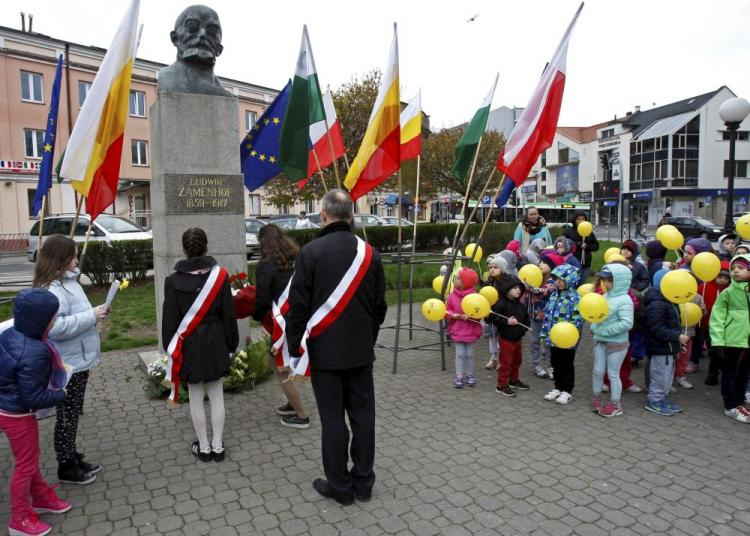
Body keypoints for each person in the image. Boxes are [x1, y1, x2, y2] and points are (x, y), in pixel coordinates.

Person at [285, 189, 387, 506]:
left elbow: (298, 307)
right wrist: (366, 338)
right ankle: (364, 482)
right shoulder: (371, 253)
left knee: (332, 420)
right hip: (360, 352)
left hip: (324, 353)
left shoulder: (310, 252)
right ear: (352, 216)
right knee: (363, 417)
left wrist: (293, 348)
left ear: (324, 215)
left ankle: (340, 487)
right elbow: (380, 307)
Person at [33, 234, 107, 485]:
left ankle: (71, 455)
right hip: (66, 365)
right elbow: (55, 328)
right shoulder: (51, 289)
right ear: (60, 259)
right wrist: (91, 316)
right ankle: (65, 465)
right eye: (73, 255)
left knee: (73, 413)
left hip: (79, 359)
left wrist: (93, 314)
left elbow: (77, 314)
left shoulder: (69, 282)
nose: (77, 259)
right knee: (66, 415)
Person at [162, 228, 239, 462]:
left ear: (184, 249)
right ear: (207, 246)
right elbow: (229, 315)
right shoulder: (220, 276)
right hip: (216, 340)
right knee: (216, 394)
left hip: (189, 345)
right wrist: (231, 344)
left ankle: (204, 447)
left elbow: (169, 320)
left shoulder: (172, 281)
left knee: (195, 395)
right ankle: (218, 445)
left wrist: (171, 349)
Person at [0, 289, 71, 536]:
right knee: (25, 465)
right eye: (52, 318)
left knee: (29, 458)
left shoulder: (12, 333)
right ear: (41, 320)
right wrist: (62, 394)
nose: (54, 322)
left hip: (7, 406)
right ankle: (19, 518)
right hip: (17, 413)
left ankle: (40, 496)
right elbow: (33, 397)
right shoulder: (35, 351)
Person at [252, 224, 310, 429]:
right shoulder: (297, 259)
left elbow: (262, 299)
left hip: (283, 324)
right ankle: (292, 403)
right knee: (278, 362)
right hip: (300, 318)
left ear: (263, 243)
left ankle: (302, 416)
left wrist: (256, 315)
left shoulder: (265, 266)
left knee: (281, 368)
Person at [709, 254, 750, 423]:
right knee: (730, 373)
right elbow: (717, 317)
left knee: (744, 373)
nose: (735, 272)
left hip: (748, 341)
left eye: (740, 268)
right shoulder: (728, 293)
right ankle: (730, 406)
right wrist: (717, 340)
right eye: (733, 269)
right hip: (732, 340)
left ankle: (740, 402)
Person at [157, 5, 232, 96]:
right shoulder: (167, 78)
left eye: (212, 31)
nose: (202, 34)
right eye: (192, 27)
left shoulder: (223, 94)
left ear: (219, 49)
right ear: (175, 38)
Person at [590, 265, 634, 417]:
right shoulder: (605, 296)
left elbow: (626, 323)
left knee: (613, 374)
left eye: (609, 280)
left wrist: (602, 331)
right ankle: (596, 398)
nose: (605, 283)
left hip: (617, 344)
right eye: (604, 280)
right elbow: (597, 315)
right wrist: (594, 326)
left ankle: (616, 405)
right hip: (600, 342)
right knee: (597, 371)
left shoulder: (625, 300)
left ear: (619, 281)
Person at [643, 270, 688, 416]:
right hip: (660, 348)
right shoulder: (657, 304)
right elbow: (656, 327)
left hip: (668, 347)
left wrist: (678, 343)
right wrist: (677, 336)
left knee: (667, 376)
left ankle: (662, 399)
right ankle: (654, 401)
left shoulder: (669, 300)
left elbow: (672, 324)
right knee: (660, 376)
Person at [540, 264, 583, 404]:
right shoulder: (553, 295)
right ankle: (558, 387)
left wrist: (569, 332)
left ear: (570, 280)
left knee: (567, 364)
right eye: (556, 279)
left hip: (567, 339)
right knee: (555, 363)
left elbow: (578, 318)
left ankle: (567, 391)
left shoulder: (575, 298)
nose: (557, 282)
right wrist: (545, 331)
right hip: (554, 338)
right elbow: (549, 313)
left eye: (561, 279)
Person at [491, 278, 530, 397]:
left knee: (517, 361)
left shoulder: (521, 305)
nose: (518, 290)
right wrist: (507, 321)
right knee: (505, 363)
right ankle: (501, 385)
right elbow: (492, 317)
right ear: (507, 290)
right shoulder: (501, 304)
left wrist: (524, 329)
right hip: (506, 339)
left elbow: (526, 319)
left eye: (519, 288)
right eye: (514, 288)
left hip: (518, 339)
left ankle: (513, 380)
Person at [528, 253, 564, 379]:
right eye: (540, 262)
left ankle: (551, 366)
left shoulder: (553, 281)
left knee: (549, 342)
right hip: (535, 317)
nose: (540, 265)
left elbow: (543, 291)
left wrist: (528, 285)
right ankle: (535, 365)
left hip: (548, 318)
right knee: (535, 341)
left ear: (552, 266)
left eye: (544, 263)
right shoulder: (536, 277)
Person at [446, 268, 483, 388]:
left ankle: (470, 375)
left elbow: (480, 312)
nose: (454, 280)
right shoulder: (451, 296)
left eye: (457, 278)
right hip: (457, 329)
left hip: (471, 330)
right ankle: (459, 375)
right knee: (460, 354)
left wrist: (472, 315)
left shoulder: (475, 297)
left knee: (470, 354)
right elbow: (446, 311)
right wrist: (453, 315)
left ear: (464, 282)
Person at [483, 256, 515, 370]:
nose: (492, 269)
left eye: (495, 267)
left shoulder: (508, 282)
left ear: (502, 268)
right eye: (490, 267)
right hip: (490, 315)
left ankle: (503, 360)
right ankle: (493, 358)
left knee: (502, 338)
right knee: (492, 337)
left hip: (503, 315)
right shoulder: (489, 282)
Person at [703, 261, 731, 385]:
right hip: (709, 326)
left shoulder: (731, 291)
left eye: (726, 278)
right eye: (720, 277)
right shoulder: (705, 287)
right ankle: (712, 373)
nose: (723, 280)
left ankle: (721, 371)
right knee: (713, 351)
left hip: (726, 327)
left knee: (722, 352)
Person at [564, 212, 599, 282]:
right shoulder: (568, 232)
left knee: (582, 283)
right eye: (578, 219)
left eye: (583, 219)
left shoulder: (589, 232)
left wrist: (587, 246)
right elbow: (564, 244)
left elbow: (596, 246)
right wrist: (579, 244)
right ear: (574, 220)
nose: (581, 221)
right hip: (572, 264)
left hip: (585, 264)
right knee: (571, 283)